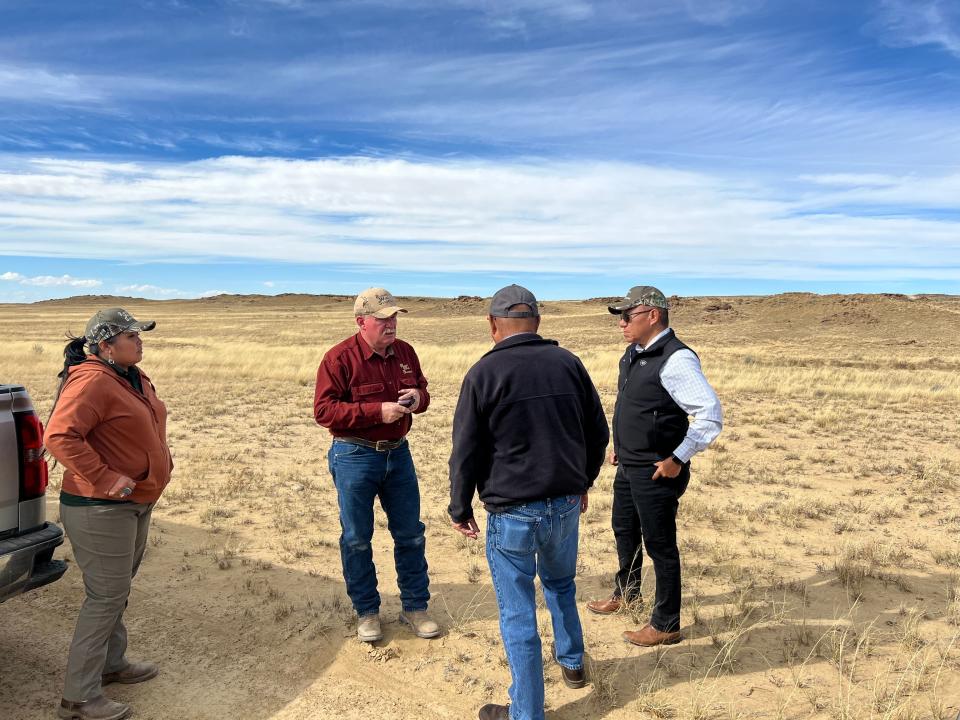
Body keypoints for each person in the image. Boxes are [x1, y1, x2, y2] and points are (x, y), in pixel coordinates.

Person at [448, 285, 609, 720]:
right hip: (564, 506)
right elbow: (598, 432)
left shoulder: (483, 373)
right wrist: (583, 482)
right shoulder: (568, 364)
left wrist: (459, 507)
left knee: (518, 614)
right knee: (560, 585)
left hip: (512, 513)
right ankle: (572, 663)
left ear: (493, 324)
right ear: (536, 321)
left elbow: (465, 450)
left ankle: (527, 712)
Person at [45, 308, 173, 720]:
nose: (140, 341)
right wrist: (105, 477)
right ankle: (79, 698)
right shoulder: (93, 380)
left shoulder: (131, 376)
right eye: (132, 336)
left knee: (117, 590)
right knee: (105, 597)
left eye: (139, 335)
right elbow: (59, 436)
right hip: (100, 508)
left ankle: (112, 664)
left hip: (135, 503)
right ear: (105, 344)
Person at [586, 286, 722, 647]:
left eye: (627, 316)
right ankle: (627, 593)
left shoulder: (676, 359)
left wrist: (678, 458)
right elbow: (640, 408)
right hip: (628, 464)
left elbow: (709, 416)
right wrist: (620, 445)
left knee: (660, 545)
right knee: (624, 531)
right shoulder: (633, 354)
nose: (621, 324)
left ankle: (666, 623)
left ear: (652, 315)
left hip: (658, 469)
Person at [314, 287, 438, 643]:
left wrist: (418, 398)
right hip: (354, 455)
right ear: (361, 322)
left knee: (411, 533)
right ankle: (367, 611)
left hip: (398, 454)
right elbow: (324, 412)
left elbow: (424, 391)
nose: (391, 324)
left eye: (394, 317)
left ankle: (415, 606)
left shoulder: (405, 353)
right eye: (383, 319)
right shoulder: (339, 359)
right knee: (356, 538)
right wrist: (375, 411)